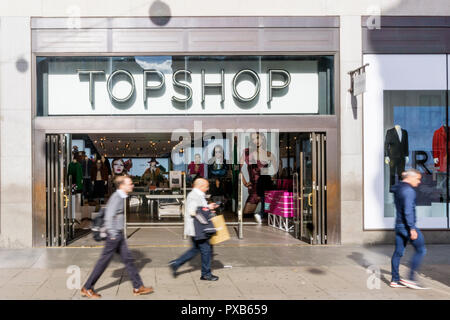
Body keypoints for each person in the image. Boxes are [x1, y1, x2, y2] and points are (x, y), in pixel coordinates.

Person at [81, 175, 154, 298]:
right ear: (122, 185)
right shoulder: (116, 197)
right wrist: (114, 234)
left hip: (117, 235)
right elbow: (109, 215)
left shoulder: (120, 196)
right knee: (103, 262)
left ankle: (138, 287)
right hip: (114, 235)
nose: (132, 185)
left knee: (128, 260)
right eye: (129, 183)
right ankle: (87, 287)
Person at [168, 178, 219, 281]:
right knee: (206, 250)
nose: (207, 188)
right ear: (200, 186)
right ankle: (206, 274)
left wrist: (209, 206)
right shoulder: (193, 196)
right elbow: (193, 211)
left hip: (198, 228)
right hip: (199, 228)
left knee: (196, 249)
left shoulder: (198, 195)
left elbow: (200, 208)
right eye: (206, 186)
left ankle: (176, 263)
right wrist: (205, 217)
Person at [390, 169, 428, 290]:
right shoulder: (409, 190)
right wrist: (412, 228)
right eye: (417, 178)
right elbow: (408, 210)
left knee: (398, 252)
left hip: (399, 225)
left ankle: (395, 280)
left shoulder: (398, 188)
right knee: (421, 250)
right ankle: (411, 279)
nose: (419, 182)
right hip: (407, 226)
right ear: (410, 178)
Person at [240, 132, 277, 224]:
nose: (255, 140)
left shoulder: (269, 154)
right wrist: (245, 183)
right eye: (253, 139)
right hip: (254, 191)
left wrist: (273, 177)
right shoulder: (247, 153)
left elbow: (276, 171)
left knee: (268, 219)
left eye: (257, 138)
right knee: (245, 217)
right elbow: (237, 169)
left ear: (263, 138)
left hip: (266, 188)